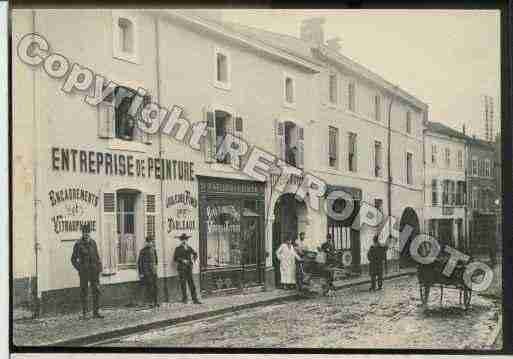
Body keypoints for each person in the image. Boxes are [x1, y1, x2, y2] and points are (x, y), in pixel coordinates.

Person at [71, 224, 103, 319]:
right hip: (84, 272)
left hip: (94, 271)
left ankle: (96, 312)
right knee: (84, 292)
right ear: (82, 233)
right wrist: (80, 268)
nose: (87, 234)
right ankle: (85, 313)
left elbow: (97, 256)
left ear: (90, 233)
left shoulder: (93, 243)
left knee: (96, 291)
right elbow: (73, 259)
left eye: (88, 232)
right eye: (85, 232)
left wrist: (99, 267)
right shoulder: (78, 244)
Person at [173, 233, 202, 304]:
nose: (184, 241)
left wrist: (193, 260)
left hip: (189, 268)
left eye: (185, 239)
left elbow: (195, 254)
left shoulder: (189, 247)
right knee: (183, 284)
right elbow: (175, 258)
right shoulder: (178, 248)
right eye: (183, 239)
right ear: (181, 240)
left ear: (187, 240)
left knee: (191, 284)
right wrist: (182, 260)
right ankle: (185, 299)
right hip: (182, 269)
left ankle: (195, 299)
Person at [137, 236, 159, 308]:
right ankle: (150, 302)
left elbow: (156, 261)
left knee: (155, 287)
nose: (150, 243)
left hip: (153, 271)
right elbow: (139, 263)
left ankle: (155, 302)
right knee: (149, 287)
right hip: (146, 272)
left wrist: (155, 268)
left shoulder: (154, 250)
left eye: (151, 242)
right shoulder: (143, 251)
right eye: (148, 242)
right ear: (146, 243)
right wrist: (141, 273)